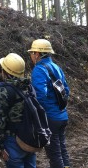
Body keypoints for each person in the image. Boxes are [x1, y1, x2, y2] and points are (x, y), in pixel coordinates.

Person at [28, 39, 70, 168]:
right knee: (62, 150)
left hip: (51, 118)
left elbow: (39, 95)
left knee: (54, 154)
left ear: (37, 54)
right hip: (62, 116)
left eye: (32, 52)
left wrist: (39, 116)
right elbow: (66, 91)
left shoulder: (39, 70)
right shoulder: (56, 67)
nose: (31, 56)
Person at [0, 53, 36, 168]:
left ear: (5, 72)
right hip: (30, 136)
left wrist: (0, 146)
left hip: (13, 140)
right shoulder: (29, 87)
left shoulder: (4, 91)